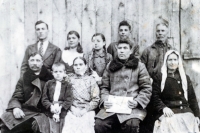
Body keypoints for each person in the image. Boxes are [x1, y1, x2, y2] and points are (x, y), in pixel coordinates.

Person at [95, 40, 152, 133]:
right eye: (119, 48)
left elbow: (146, 88)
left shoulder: (139, 66)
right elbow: (104, 87)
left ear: (130, 51)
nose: (122, 51)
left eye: (125, 48)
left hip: (132, 107)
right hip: (113, 106)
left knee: (131, 125)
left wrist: (137, 102)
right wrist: (105, 100)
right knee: (99, 124)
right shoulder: (110, 66)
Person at [1, 53, 54, 133]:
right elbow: (16, 96)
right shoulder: (24, 78)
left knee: (36, 125)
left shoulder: (50, 77)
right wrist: (16, 108)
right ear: (28, 62)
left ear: (42, 62)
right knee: (6, 119)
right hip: (26, 111)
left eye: (37, 60)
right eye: (32, 60)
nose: (35, 63)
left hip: (42, 113)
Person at [152, 50, 200, 133]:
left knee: (191, 121)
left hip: (184, 110)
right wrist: (163, 108)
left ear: (178, 62)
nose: (172, 62)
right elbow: (155, 97)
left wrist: (196, 115)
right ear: (166, 61)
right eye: (170, 60)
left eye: (175, 60)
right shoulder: (159, 77)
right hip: (168, 110)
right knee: (168, 123)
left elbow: (192, 98)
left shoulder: (185, 77)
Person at [140, 19, 174, 133]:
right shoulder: (148, 51)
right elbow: (141, 68)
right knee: (150, 116)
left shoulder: (172, 50)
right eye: (158, 31)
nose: (160, 33)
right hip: (151, 86)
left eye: (163, 31)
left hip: (167, 87)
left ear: (167, 32)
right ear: (155, 33)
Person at [61, 57, 100, 133]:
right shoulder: (69, 79)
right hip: (72, 109)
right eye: (75, 65)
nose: (78, 67)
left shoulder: (91, 80)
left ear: (85, 66)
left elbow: (96, 99)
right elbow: (64, 97)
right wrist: (72, 108)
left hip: (87, 110)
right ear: (73, 67)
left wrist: (85, 110)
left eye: (80, 64)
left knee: (86, 126)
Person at [42, 62, 73, 133]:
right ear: (52, 73)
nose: (58, 74)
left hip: (62, 111)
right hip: (50, 110)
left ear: (64, 73)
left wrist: (61, 107)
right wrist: (50, 106)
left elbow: (69, 99)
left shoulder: (67, 85)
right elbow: (44, 98)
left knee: (63, 127)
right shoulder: (48, 84)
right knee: (50, 128)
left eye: (60, 71)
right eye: (56, 72)